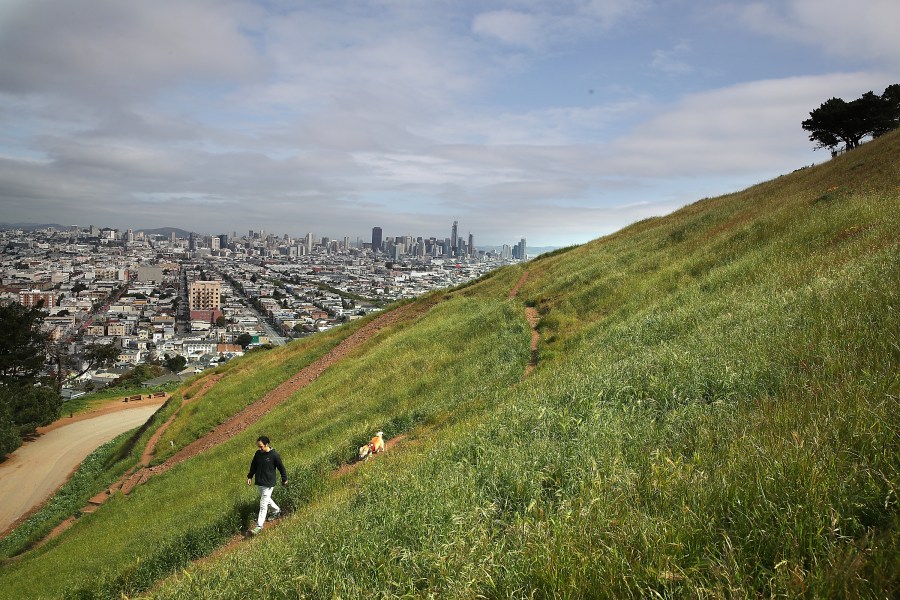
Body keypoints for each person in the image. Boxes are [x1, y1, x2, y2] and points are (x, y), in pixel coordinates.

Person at [246, 435, 288, 535]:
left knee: (263, 504)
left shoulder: (274, 455)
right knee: (266, 499)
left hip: (269, 484)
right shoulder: (258, 454)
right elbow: (253, 466)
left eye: (261, 446)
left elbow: (281, 468)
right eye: (258, 447)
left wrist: (284, 478)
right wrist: (250, 476)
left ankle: (259, 526)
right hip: (259, 483)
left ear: (266, 444)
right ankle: (277, 510)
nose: (260, 449)